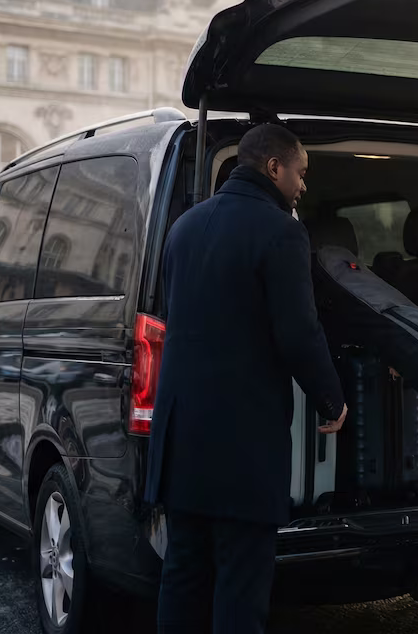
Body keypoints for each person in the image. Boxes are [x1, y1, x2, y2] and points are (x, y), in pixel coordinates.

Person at [145, 124, 348, 634]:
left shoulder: (184, 227)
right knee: (241, 584)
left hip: (181, 438)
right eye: (300, 173)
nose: (303, 186)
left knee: (184, 573)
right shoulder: (281, 231)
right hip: (242, 442)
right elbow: (298, 333)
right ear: (274, 167)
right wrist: (331, 399)